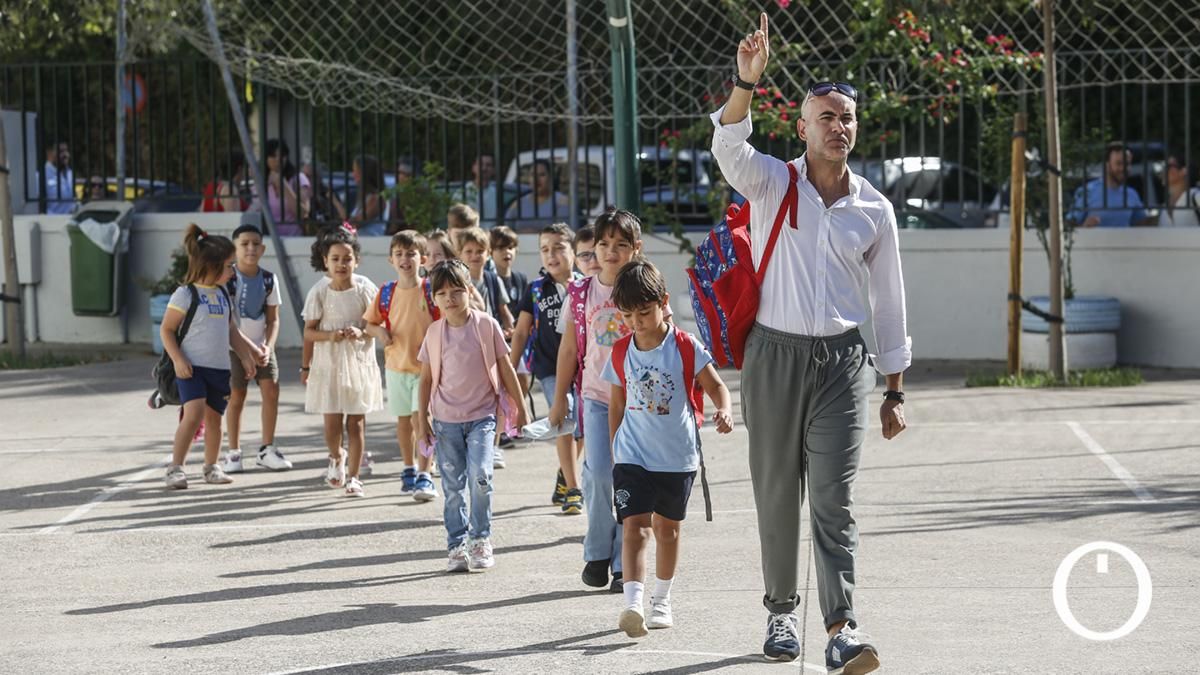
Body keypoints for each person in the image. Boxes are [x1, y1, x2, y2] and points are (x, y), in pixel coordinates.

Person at [710, 14, 908, 671]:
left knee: (833, 496)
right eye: (824, 116)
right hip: (773, 355)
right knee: (775, 489)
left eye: (845, 116)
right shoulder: (773, 181)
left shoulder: (874, 208)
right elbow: (727, 146)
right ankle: (779, 615)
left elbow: (890, 301)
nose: (837, 126)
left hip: (843, 364)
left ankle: (841, 626)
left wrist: (895, 388)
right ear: (802, 127)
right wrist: (746, 80)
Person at [602, 260, 734, 637]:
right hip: (633, 455)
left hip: (676, 457)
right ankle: (632, 604)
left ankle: (662, 599)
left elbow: (716, 387)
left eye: (643, 312)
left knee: (668, 530)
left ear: (662, 303)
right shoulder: (621, 350)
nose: (636, 321)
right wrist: (615, 448)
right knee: (634, 528)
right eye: (627, 315)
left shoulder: (685, 346)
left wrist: (724, 411)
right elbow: (616, 403)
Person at [549, 208, 660, 593]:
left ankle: (619, 562)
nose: (611, 252)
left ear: (637, 248)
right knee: (597, 473)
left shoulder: (646, 288)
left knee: (628, 478)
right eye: (604, 244)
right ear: (593, 247)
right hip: (595, 397)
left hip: (638, 402)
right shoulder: (580, 293)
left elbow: (666, 339)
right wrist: (561, 396)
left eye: (621, 244)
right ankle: (598, 550)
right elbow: (567, 349)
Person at [416, 260, 528, 572]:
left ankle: (480, 539)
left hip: (482, 417)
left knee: (481, 476)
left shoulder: (485, 325)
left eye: (456, 291)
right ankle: (456, 544)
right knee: (453, 486)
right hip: (445, 419)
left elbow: (505, 367)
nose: (450, 298)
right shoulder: (435, 333)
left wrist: (520, 408)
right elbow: (425, 380)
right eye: (442, 293)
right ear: (434, 298)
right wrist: (420, 420)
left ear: (468, 290)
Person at [159, 224, 261, 489]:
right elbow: (167, 330)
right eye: (229, 265)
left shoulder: (223, 294)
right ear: (211, 265)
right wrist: (179, 360)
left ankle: (211, 466)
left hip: (219, 369)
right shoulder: (185, 294)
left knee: (215, 419)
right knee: (193, 415)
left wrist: (245, 356)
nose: (233, 270)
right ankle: (175, 468)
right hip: (192, 369)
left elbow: (230, 330)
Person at [301, 224, 384, 498]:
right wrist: (310, 360)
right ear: (325, 261)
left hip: (358, 363)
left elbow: (375, 322)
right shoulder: (320, 292)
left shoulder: (365, 288)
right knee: (332, 423)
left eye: (347, 258)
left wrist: (361, 330)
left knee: (356, 422)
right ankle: (336, 455)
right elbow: (309, 332)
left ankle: (355, 476)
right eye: (335, 259)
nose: (341, 264)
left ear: (356, 260)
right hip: (329, 365)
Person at [510, 223, 584, 515]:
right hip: (550, 368)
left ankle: (565, 474)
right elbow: (520, 331)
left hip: (585, 368)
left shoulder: (584, 285)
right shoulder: (535, 289)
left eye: (558, 247)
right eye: (544, 249)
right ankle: (574, 490)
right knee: (563, 419)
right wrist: (510, 366)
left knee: (585, 427)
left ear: (573, 251)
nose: (551, 255)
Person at [363, 230, 439, 502]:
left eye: (411, 253)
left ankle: (425, 473)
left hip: (426, 370)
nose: (405, 259)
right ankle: (408, 468)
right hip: (396, 366)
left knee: (423, 421)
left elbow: (443, 322)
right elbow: (369, 323)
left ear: (424, 258)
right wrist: (380, 333)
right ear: (390, 260)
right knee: (404, 421)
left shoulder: (430, 289)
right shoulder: (386, 292)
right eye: (399, 254)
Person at [220, 224, 292, 474]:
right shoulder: (228, 280)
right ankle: (233, 453)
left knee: (271, 391)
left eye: (255, 244)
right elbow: (228, 321)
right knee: (236, 396)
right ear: (234, 249)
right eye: (244, 244)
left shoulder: (269, 279)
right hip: (234, 348)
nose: (250, 248)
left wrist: (267, 347)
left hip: (262, 349)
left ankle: (267, 449)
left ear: (262, 248)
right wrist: (248, 350)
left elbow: (273, 319)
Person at [1067, 142, 1154, 228]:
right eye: (1119, 163)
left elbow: (1143, 228)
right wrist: (1084, 228)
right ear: (1107, 165)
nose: (1123, 168)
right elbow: (1069, 226)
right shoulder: (1087, 191)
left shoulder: (1131, 194)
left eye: (1127, 164)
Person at [262, 139, 311, 236]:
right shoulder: (261, 181)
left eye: (282, 155)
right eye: (273, 156)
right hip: (268, 240)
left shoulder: (298, 178)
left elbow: (303, 213)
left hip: (294, 240)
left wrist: (283, 185)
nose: (278, 160)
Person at [505, 159, 570, 228]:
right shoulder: (518, 204)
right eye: (533, 175)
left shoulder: (561, 202)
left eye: (542, 175)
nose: (536, 179)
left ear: (551, 177)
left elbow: (563, 233)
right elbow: (506, 231)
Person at [489, 226, 528, 323]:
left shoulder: (520, 279)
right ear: (490, 252)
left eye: (510, 247)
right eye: (501, 248)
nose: (507, 252)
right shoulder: (489, 280)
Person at [454, 154, 500, 225]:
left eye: (488, 165)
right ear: (474, 168)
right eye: (481, 164)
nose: (484, 168)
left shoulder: (496, 193)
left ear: (493, 170)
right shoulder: (463, 193)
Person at [1158, 152, 1200, 227]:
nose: (1164, 170)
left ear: (1183, 171)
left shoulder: (1195, 196)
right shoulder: (1164, 206)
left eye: (1168, 166)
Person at [350, 154, 389, 235]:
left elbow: (354, 225)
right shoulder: (364, 198)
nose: (353, 174)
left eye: (355, 171)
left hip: (370, 243)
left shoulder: (376, 199)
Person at [302, 161, 347, 228]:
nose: (305, 180)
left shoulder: (328, 194)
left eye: (309, 176)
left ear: (318, 178)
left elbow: (344, 217)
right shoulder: (299, 195)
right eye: (303, 177)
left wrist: (334, 201)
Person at [41, 140, 77, 215]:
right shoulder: (42, 175)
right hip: (53, 222)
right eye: (61, 151)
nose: (65, 155)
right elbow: (39, 206)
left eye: (66, 151)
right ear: (49, 153)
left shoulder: (70, 173)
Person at [386, 158, 415, 234]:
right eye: (399, 173)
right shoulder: (396, 193)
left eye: (402, 173)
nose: (399, 176)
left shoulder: (416, 196)